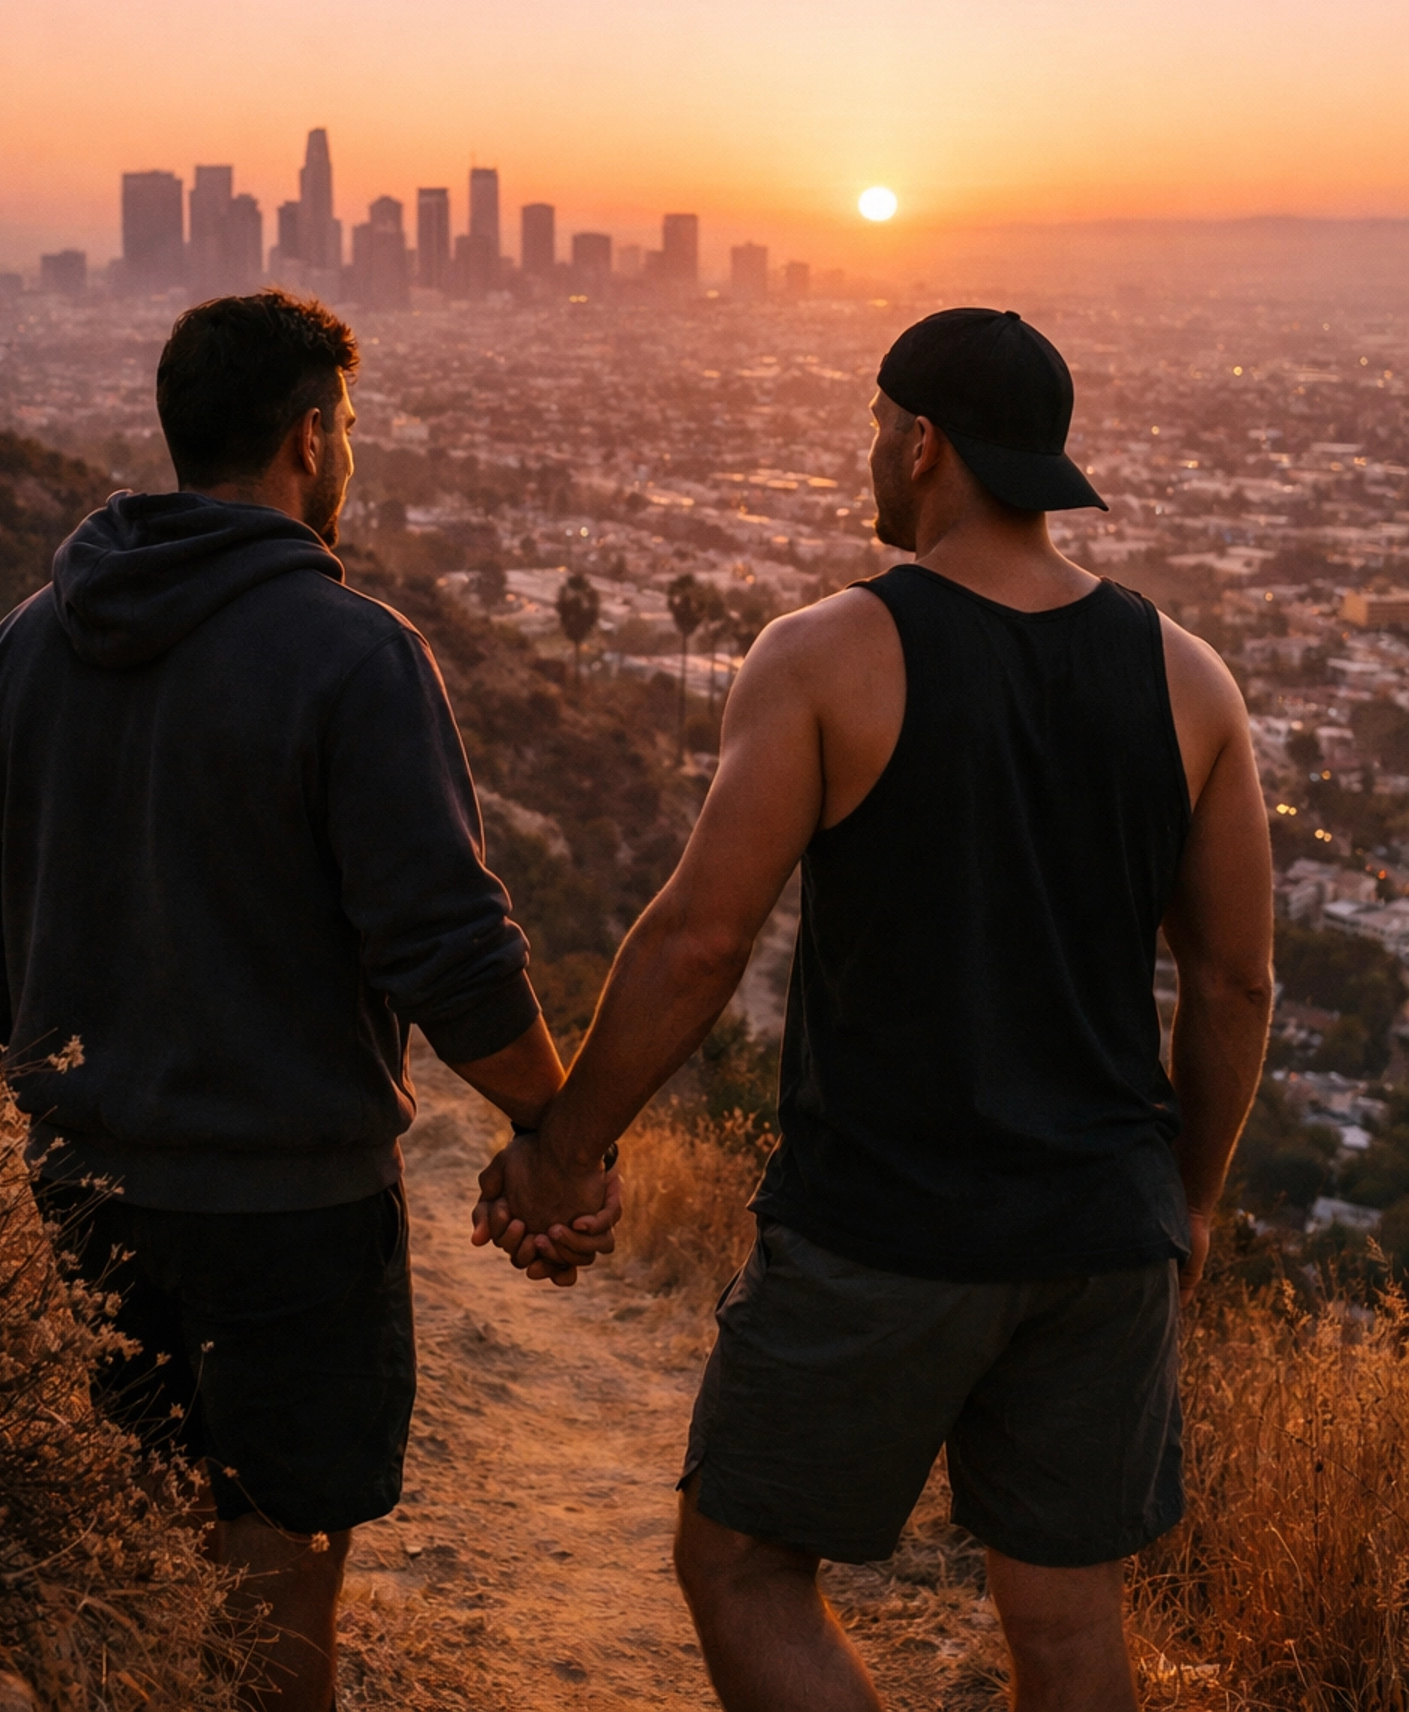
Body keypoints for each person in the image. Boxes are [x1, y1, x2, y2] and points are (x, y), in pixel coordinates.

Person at [477, 306, 1273, 1712]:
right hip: (1101, 1231)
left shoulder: (828, 654)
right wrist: (1188, 1202)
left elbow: (699, 941)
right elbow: (1233, 983)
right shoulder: (1187, 677)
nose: (866, 453)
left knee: (741, 1566)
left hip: (886, 1228)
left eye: (871, 427)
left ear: (923, 444)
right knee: (1068, 1611)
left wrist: (567, 1144)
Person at [0, 290, 617, 1712]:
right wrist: (557, 1128)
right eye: (348, 427)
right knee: (276, 1581)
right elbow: (452, 949)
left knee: (128, 1555)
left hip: (79, 1194)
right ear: (310, 438)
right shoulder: (353, 655)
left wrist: (74, 1100)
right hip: (291, 1214)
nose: (351, 453)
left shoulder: (21, 647)